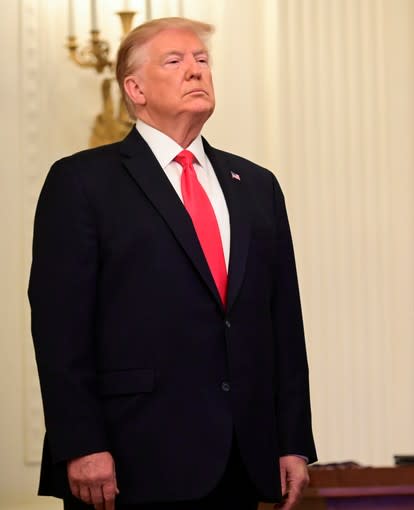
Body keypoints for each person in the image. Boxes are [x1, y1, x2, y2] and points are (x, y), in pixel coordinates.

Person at [28, 17, 316, 510]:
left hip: (242, 458)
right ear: (134, 88)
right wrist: (80, 441)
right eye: (175, 61)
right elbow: (59, 328)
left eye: (202, 61)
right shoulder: (82, 182)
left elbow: (283, 323)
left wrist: (293, 441)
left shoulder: (257, 185)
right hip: (129, 458)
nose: (195, 71)